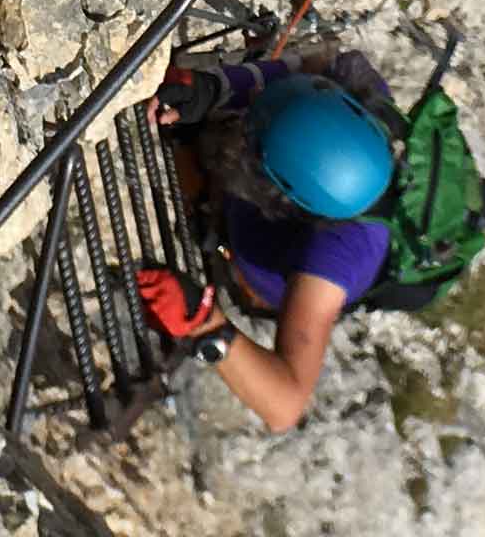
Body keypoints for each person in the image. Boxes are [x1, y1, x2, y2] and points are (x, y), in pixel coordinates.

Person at [137, 49, 398, 432]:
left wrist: (205, 324)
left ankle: (208, 194)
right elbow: (314, 61)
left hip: (255, 255)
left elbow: (285, 407)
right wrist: (217, 88)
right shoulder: (354, 94)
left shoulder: (333, 261)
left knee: (214, 158)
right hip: (261, 197)